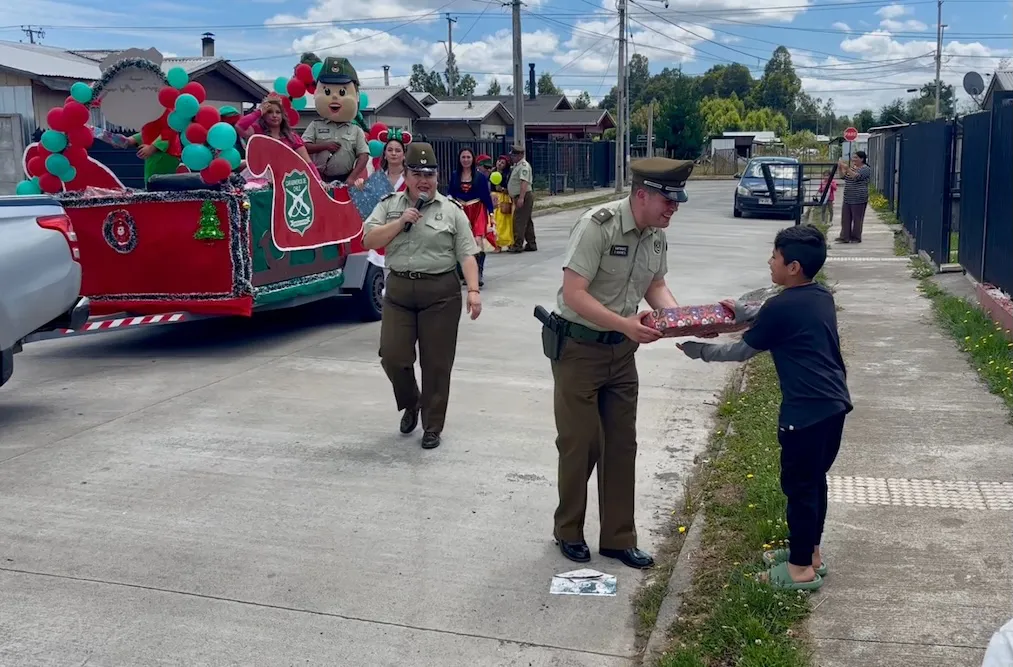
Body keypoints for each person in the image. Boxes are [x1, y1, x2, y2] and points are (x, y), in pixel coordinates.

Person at [678, 224, 852, 591]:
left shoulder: (782, 307)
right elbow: (768, 313)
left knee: (799, 488)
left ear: (793, 267)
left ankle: (800, 570)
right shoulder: (819, 295)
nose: (769, 262)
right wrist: (740, 310)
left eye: (774, 257)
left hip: (805, 412)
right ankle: (809, 554)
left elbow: (742, 350)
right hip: (833, 404)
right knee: (813, 482)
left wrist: (700, 351)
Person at [545, 157, 695, 570]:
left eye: (677, 201)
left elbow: (655, 285)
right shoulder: (598, 226)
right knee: (579, 444)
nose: (674, 208)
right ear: (642, 195)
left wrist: (683, 322)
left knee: (621, 445)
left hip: (621, 353)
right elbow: (574, 293)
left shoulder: (655, 236)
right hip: (579, 349)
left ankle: (617, 538)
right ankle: (568, 530)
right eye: (668, 200)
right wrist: (625, 324)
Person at [361, 142, 482, 450]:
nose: (424, 180)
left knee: (437, 363)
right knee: (392, 356)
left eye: (430, 174)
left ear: (437, 176)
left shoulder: (451, 210)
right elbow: (369, 239)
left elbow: (467, 254)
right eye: (417, 174)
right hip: (399, 292)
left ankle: (432, 425)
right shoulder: (389, 205)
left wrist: (473, 290)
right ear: (406, 175)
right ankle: (411, 401)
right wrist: (400, 222)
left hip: (440, 295)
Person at [302, 57, 370, 185]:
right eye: (327, 91)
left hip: (345, 181)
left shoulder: (355, 130)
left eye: (342, 92)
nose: (334, 97)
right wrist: (324, 146)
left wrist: (352, 177)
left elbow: (364, 156)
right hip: (319, 180)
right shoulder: (315, 125)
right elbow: (303, 147)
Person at [236, 94, 318, 177]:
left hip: (287, 178)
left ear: (282, 115)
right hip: (261, 178)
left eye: (278, 112)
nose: (274, 115)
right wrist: (259, 112)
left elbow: (308, 162)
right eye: (269, 112)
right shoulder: (257, 132)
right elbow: (239, 126)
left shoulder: (292, 137)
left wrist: (318, 180)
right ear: (263, 115)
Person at [448, 147, 496, 286]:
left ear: (473, 159)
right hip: (460, 211)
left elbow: (486, 197)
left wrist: (491, 214)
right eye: (463, 157)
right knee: (460, 240)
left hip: (477, 210)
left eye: (468, 157)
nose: (466, 160)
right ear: (459, 159)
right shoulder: (455, 175)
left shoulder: (480, 177)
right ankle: (462, 271)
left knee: (477, 241)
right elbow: (450, 194)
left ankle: (477, 273)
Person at [836, 150, 872, 244]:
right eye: (853, 157)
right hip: (848, 197)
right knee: (845, 218)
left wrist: (847, 169)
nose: (853, 159)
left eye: (856, 157)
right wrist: (840, 168)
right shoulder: (853, 168)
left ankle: (856, 237)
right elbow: (843, 177)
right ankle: (845, 236)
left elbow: (856, 177)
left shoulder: (865, 169)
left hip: (859, 197)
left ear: (862, 159)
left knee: (857, 218)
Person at [507, 144, 536, 253]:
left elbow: (524, 182)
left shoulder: (523, 166)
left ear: (520, 155)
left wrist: (521, 198)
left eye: (514, 155)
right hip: (520, 196)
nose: (512, 157)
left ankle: (517, 244)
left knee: (519, 220)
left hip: (523, 195)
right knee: (526, 220)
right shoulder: (517, 166)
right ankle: (531, 243)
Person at [491, 155, 514, 252]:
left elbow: (511, 188)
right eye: (499, 161)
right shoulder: (492, 172)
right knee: (495, 221)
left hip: (504, 198)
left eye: (502, 163)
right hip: (494, 197)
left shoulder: (508, 175)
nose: (499, 163)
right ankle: (497, 244)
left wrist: (503, 189)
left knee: (505, 222)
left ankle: (509, 242)